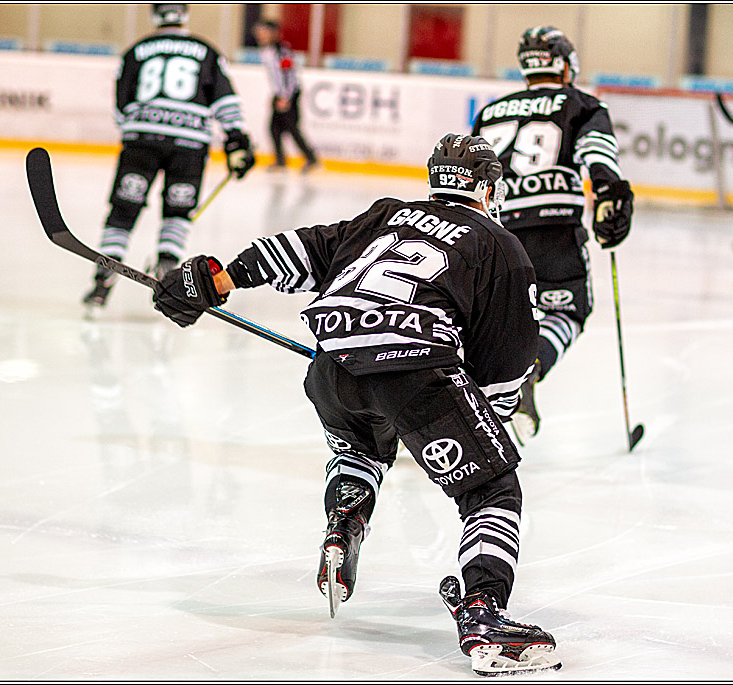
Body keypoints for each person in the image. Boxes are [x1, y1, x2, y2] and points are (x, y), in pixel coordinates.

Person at [150, 133, 561, 677]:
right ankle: (485, 615)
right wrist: (487, 429)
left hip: (333, 370)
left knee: (360, 450)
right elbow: (505, 361)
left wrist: (217, 279)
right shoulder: (500, 245)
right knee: (491, 487)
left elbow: (303, 249)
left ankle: (345, 519)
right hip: (417, 369)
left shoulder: (386, 216)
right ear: (487, 186)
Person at [471, 26, 633, 442]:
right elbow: (597, 155)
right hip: (553, 229)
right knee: (567, 311)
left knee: (481, 322)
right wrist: (611, 194)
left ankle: (435, 408)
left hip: (493, 233)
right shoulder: (583, 104)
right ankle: (532, 369)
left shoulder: (491, 111)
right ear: (564, 64)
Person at [82, 3, 256, 316]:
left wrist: (142, 127)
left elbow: (121, 106)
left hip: (142, 142)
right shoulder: (206, 51)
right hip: (189, 147)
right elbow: (226, 100)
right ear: (184, 15)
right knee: (178, 212)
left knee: (123, 211)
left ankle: (102, 280)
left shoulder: (136, 50)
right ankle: (165, 268)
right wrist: (236, 141)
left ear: (155, 16)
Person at [252, 19, 319, 172]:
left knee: (292, 128)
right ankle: (281, 160)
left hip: (289, 94)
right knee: (274, 128)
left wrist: (285, 96)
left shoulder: (282, 51)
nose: (260, 35)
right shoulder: (266, 51)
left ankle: (311, 158)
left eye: (263, 32)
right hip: (279, 94)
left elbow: (289, 75)